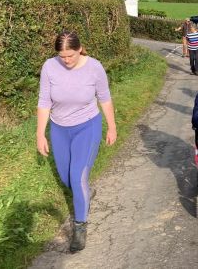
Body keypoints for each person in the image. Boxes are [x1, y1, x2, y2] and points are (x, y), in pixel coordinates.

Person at [36, 31, 117, 253]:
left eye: (70, 55)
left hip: (87, 126)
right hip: (59, 128)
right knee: (66, 177)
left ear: (80, 49)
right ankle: (83, 193)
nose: (66, 60)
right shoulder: (49, 67)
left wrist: (112, 127)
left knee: (78, 174)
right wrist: (40, 134)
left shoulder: (94, 67)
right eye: (62, 56)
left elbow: (105, 98)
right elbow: (44, 101)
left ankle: (80, 227)